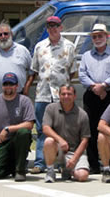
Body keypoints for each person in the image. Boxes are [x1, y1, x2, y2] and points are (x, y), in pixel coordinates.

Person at [24, 16, 77, 174]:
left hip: (62, 96)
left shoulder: (69, 46)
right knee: (42, 129)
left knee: (63, 129)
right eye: (49, 26)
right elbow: (34, 70)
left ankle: (61, 163)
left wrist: (63, 85)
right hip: (43, 94)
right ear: (47, 29)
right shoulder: (40, 46)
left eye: (55, 26)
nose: (52, 28)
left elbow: (72, 71)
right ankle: (40, 163)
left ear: (61, 27)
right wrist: (27, 88)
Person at [78, 23, 110, 174]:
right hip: (91, 95)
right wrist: (95, 88)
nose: (98, 39)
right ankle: (94, 165)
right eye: (95, 36)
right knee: (91, 129)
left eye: (100, 35)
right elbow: (82, 74)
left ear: (106, 36)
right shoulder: (86, 56)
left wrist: (104, 86)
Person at [0, 72, 35, 182]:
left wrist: (8, 129)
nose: (8, 87)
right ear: (2, 86)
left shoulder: (24, 101)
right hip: (0, 144)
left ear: (16, 86)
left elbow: (30, 124)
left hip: (17, 141)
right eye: (6, 84)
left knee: (23, 132)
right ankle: (10, 166)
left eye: (11, 84)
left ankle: (20, 170)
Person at [42, 85, 90, 182]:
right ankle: (50, 171)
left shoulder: (82, 114)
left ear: (74, 96)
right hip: (57, 149)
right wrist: (60, 140)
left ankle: (68, 170)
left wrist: (74, 158)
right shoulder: (51, 108)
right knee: (48, 141)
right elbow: (45, 128)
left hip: (74, 151)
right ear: (59, 95)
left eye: (69, 94)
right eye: (63, 94)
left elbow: (85, 140)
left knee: (82, 176)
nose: (66, 96)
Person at [0, 21, 32, 97]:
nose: (3, 37)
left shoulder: (23, 50)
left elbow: (32, 72)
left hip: (19, 95)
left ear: (11, 34)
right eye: (0, 35)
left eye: (6, 34)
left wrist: (26, 88)